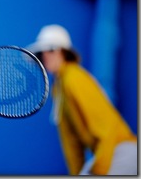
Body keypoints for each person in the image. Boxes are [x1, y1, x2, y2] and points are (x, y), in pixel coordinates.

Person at [27, 24, 137, 175]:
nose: (45, 55)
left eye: (51, 49)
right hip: (111, 155)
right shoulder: (59, 87)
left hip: (120, 152)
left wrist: (99, 170)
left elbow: (107, 128)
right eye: (41, 52)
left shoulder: (74, 77)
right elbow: (71, 142)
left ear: (63, 52)